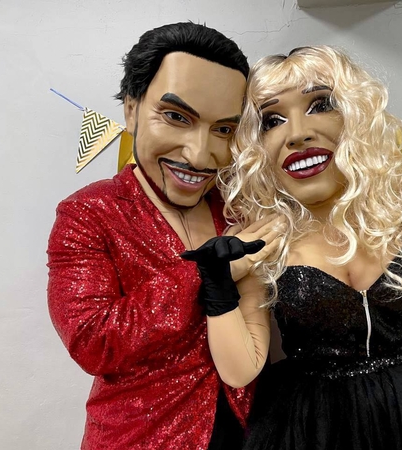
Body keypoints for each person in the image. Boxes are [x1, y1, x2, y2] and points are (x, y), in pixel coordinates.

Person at [215, 45, 402, 449]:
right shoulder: (265, 241)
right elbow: (241, 371)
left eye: (321, 104)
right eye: (272, 120)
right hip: (313, 425)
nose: (297, 133)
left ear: (356, 117)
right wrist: (217, 290)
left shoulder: (391, 222)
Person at [47, 22, 280, 450]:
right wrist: (208, 273)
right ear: (131, 109)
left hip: (249, 432)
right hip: (141, 438)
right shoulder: (89, 213)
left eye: (223, 130)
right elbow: (93, 341)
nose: (199, 155)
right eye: (176, 117)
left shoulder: (239, 207)